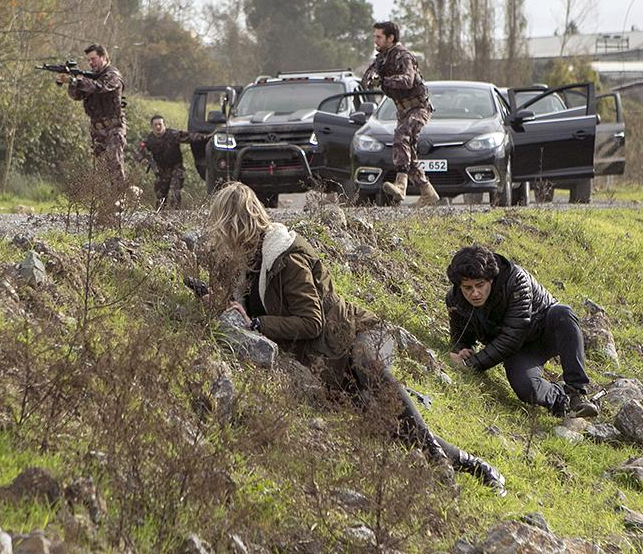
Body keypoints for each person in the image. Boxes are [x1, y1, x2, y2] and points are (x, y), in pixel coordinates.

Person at [204, 182, 505, 493]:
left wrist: (257, 324)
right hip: (332, 360)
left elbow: (311, 323)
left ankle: (436, 460)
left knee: (369, 363)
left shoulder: (285, 257)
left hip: (361, 334)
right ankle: (474, 464)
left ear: (237, 224)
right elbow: (252, 304)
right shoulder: (253, 263)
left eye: (224, 226)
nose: (221, 235)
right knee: (387, 421)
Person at [445, 245, 598, 419]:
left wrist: (470, 364)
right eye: (468, 288)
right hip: (518, 351)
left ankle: (576, 392)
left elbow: (512, 336)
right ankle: (564, 402)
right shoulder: (454, 300)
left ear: (491, 279)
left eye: (480, 285)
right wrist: (462, 350)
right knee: (526, 388)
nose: (475, 293)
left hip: (544, 329)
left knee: (563, 313)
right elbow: (460, 337)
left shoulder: (516, 280)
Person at [360, 21, 439, 206]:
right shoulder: (382, 59)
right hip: (403, 110)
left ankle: (401, 184)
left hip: (419, 108)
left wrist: (384, 81)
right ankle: (427, 191)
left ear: (391, 38)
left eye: (379, 37)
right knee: (408, 153)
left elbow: (407, 80)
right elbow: (367, 78)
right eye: (375, 37)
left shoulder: (404, 56)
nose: (375, 41)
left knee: (401, 136)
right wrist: (373, 79)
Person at [59, 44, 126, 193]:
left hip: (113, 127)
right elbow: (76, 96)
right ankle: (105, 203)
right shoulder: (89, 78)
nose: (91, 62)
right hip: (97, 129)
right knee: (101, 166)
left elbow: (99, 87)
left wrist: (75, 81)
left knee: (114, 161)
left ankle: (120, 198)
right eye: (88, 60)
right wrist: (71, 82)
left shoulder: (112, 75)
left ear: (103, 57)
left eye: (93, 59)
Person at [138, 114, 208, 209]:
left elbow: (190, 137)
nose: (158, 127)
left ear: (164, 125)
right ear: (152, 126)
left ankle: (175, 214)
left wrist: (207, 136)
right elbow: (139, 154)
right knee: (160, 195)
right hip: (161, 171)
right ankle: (160, 216)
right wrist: (145, 160)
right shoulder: (149, 140)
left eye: (160, 124)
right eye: (155, 125)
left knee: (175, 192)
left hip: (176, 167)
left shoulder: (173, 135)